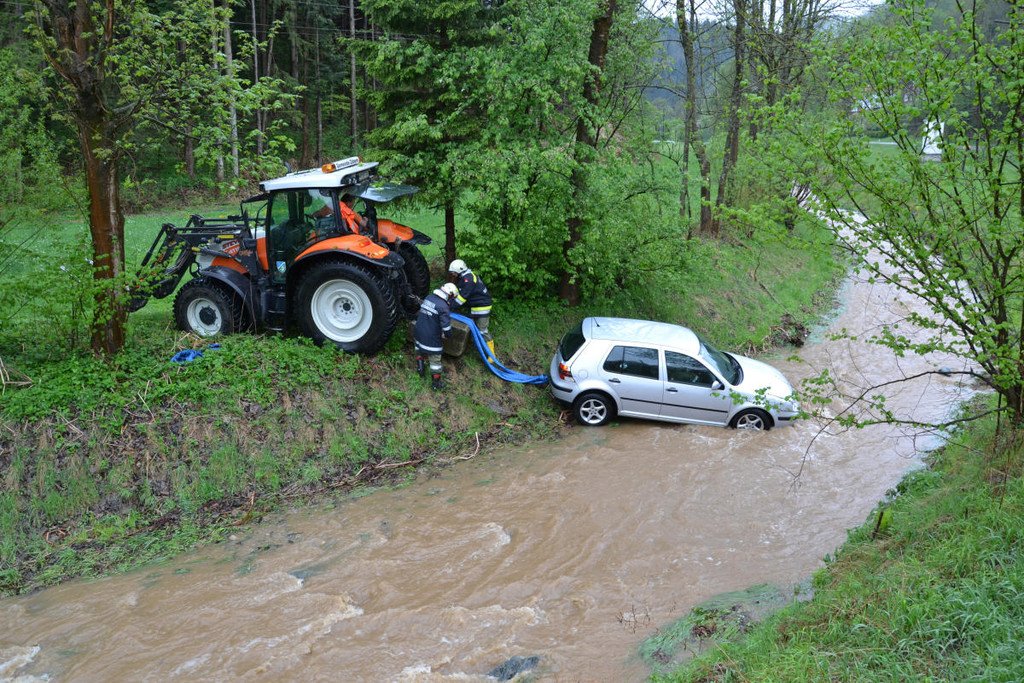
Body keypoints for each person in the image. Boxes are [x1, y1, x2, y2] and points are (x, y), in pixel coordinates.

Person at [414, 282, 458, 390]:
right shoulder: (443, 306)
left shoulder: (429, 297)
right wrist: (448, 336)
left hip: (418, 331)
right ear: (450, 294)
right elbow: (446, 328)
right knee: (435, 360)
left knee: (419, 350)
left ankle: (420, 369)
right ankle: (436, 384)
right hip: (431, 338)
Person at [448, 259, 494, 356]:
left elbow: (461, 299)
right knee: (472, 328)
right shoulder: (465, 278)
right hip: (475, 306)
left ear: (459, 270)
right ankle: (474, 349)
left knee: (482, 331)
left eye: (454, 273)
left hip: (482, 307)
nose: (453, 275)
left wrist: (448, 306)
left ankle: (491, 355)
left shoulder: (468, 280)